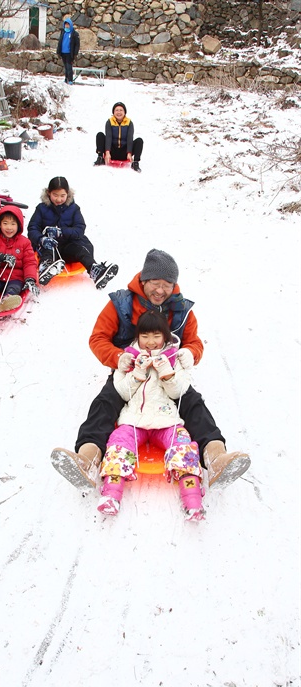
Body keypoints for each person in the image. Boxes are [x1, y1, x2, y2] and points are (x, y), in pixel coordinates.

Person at [51, 248, 251, 494]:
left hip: (168, 373)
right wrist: (118, 358)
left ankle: (216, 458)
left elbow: (194, 342)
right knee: (105, 403)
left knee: (193, 403)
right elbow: (98, 338)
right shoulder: (121, 303)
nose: (160, 290)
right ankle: (87, 459)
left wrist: (190, 353)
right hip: (130, 372)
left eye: (167, 285)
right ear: (143, 280)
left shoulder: (181, 309)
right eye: (155, 283)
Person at [97, 310, 205, 520]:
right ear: (138, 336)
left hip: (166, 420)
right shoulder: (129, 358)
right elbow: (121, 392)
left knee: (183, 445)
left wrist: (168, 375)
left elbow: (179, 392)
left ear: (165, 336)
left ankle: (193, 501)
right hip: (134, 419)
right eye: (145, 336)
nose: (151, 342)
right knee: (118, 443)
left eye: (156, 336)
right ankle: (111, 495)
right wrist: (136, 375)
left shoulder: (174, 359)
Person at [27, 176, 119, 288]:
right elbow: (32, 228)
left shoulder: (74, 209)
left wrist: (61, 232)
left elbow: (80, 228)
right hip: (50, 245)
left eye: (62, 196)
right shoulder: (41, 209)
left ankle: (95, 271)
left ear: (68, 194)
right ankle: (46, 268)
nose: (59, 199)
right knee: (47, 250)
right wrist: (42, 239)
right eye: (55, 195)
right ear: (48, 193)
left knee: (80, 250)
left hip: (68, 245)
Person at [94, 102, 143, 172]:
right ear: (113, 112)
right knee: (100, 135)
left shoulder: (129, 123)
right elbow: (108, 137)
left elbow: (130, 138)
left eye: (121, 110)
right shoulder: (109, 122)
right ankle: (100, 158)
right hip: (112, 152)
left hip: (124, 152)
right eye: (116, 110)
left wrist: (129, 153)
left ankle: (135, 163)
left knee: (139, 140)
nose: (119, 112)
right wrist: (107, 153)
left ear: (124, 112)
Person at [57, 17, 80, 85]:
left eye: (68, 24)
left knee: (69, 67)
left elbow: (77, 44)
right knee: (66, 67)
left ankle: (70, 80)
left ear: (70, 25)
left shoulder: (74, 33)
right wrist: (58, 52)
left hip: (70, 53)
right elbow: (60, 42)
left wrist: (75, 54)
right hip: (63, 52)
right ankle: (66, 78)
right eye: (66, 24)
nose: (67, 26)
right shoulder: (63, 32)